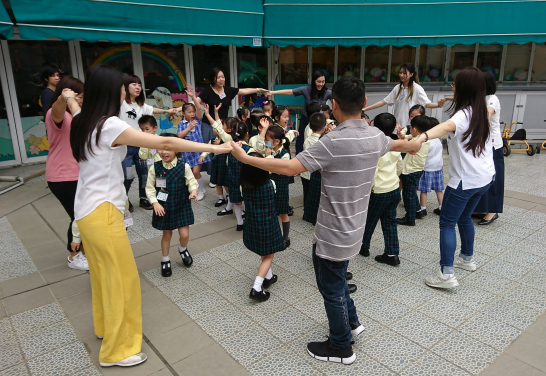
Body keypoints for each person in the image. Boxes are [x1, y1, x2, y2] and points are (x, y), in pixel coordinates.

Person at [230, 76, 421, 365]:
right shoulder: (375, 136)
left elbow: (289, 167)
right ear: (365, 104)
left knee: (331, 289)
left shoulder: (332, 141)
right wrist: (417, 142)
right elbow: (401, 146)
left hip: (332, 234)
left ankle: (341, 346)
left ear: (334, 106)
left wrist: (246, 158)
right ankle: (353, 323)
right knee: (338, 280)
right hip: (354, 230)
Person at [70, 64, 231, 368]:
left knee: (104, 276)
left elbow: (72, 103)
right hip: (103, 211)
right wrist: (216, 148)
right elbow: (166, 143)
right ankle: (117, 351)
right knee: (122, 280)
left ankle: (106, 330)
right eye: (122, 89)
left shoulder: (82, 120)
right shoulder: (108, 126)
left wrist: (68, 97)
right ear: (109, 92)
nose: (126, 95)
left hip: (86, 211)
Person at [411, 67, 495, 289]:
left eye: (455, 84)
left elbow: (446, 126)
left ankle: (446, 275)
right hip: (485, 178)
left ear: (464, 88)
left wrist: (423, 137)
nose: (452, 87)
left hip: (465, 181)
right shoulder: (483, 110)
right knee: (465, 217)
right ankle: (467, 258)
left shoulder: (463, 114)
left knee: (447, 223)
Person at [45, 76, 88, 271]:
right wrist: (64, 98)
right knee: (78, 215)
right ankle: (74, 256)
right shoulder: (57, 114)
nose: (80, 100)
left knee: (83, 215)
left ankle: (84, 251)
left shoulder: (77, 114)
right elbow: (57, 110)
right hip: (63, 175)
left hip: (78, 173)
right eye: (78, 96)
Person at [119, 75, 177, 211]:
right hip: (125, 147)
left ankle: (144, 199)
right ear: (125, 87)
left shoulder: (141, 105)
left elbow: (153, 109)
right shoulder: (121, 103)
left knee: (144, 174)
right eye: (133, 84)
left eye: (139, 84)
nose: (137, 87)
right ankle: (124, 200)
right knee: (128, 176)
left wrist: (167, 111)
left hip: (141, 146)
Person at [146, 133, 198, 277]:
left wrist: (193, 191)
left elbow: (191, 181)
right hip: (164, 206)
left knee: (184, 234)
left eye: (167, 148)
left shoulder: (184, 166)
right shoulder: (154, 168)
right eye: (161, 148)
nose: (163, 152)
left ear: (177, 150)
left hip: (181, 204)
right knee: (167, 235)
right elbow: (150, 188)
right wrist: (155, 203)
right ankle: (165, 259)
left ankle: (182, 249)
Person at [195, 68, 266, 173]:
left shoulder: (228, 90)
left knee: (224, 147)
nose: (221, 79)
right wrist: (178, 109)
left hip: (223, 125)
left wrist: (258, 89)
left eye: (222, 77)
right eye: (218, 77)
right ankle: (211, 174)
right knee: (209, 147)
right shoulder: (207, 91)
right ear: (213, 79)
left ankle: (222, 171)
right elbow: (195, 102)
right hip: (208, 124)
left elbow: (243, 91)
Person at [360, 113, 403, 266]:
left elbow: (374, 172)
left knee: (369, 220)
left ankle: (364, 247)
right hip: (393, 189)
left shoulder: (375, 147)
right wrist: (394, 179)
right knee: (390, 222)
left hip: (378, 191)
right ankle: (392, 254)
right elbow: (400, 166)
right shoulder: (395, 144)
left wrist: (369, 188)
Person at [240, 152, 284, 302]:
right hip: (268, 223)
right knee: (269, 255)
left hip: (252, 223)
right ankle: (256, 288)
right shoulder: (271, 184)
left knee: (264, 251)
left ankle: (268, 277)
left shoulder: (243, 186)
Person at [266, 70, 332, 153]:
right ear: (314, 81)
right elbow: (290, 91)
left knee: (317, 140)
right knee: (301, 140)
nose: (321, 84)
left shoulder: (327, 92)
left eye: (323, 82)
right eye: (318, 82)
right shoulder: (306, 89)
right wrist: (272, 92)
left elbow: (338, 98)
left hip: (318, 120)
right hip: (306, 119)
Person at [363, 63, 442, 129]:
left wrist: (438, 105)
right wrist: (366, 109)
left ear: (411, 74)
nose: (401, 75)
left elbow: (427, 103)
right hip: (398, 126)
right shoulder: (398, 88)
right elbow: (384, 101)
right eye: (400, 73)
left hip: (410, 127)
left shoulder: (417, 88)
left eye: (404, 73)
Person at [473, 70, 504, 225]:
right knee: (481, 176)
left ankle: (492, 211)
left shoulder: (492, 99)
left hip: (493, 145)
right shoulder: (479, 97)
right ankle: (480, 208)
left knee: (494, 178)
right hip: (482, 144)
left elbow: (488, 112)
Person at [176, 87, 210, 200]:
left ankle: (201, 191)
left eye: (193, 111)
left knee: (196, 171)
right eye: (189, 112)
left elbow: (199, 109)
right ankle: (194, 189)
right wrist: (189, 127)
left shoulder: (197, 120)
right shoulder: (181, 124)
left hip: (198, 151)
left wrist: (193, 97)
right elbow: (179, 135)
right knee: (190, 173)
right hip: (187, 153)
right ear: (183, 113)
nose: (192, 114)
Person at [397, 115, 431, 226]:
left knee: (408, 195)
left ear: (414, 129)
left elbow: (404, 143)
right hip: (417, 169)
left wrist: (402, 137)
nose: (409, 129)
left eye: (410, 127)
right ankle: (417, 211)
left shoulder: (416, 141)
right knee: (411, 192)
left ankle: (410, 218)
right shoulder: (423, 137)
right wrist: (402, 134)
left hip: (410, 171)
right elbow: (407, 138)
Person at [200, 105, 237, 208]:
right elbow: (218, 125)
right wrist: (215, 112)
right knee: (218, 182)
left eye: (224, 125)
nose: (220, 127)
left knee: (225, 183)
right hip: (217, 163)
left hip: (225, 164)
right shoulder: (220, 137)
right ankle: (222, 198)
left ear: (229, 129)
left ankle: (230, 198)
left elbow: (217, 125)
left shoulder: (228, 138)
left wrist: (207, 114)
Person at [225, 122, 253, 230]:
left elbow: (228, 164)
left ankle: (239, 223)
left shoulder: (231, 149)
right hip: (246, 180)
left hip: (233, 179)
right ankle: (248, 219)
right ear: (247, 134)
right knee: (247, 199)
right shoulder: (249, 149)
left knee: (237, 202)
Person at [417, 117, 444, 216]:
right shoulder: (438, 140)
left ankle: (422, 208)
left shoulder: (427, 141)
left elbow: (424, 154)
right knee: (439, 189)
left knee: (424, 190)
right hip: (438, 167)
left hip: (427, 168)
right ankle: (442, 207)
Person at [301, 112, 327, 207]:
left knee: (306, 195)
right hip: (314, 175)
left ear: (310, 127)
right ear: (324, 127)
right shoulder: (322, 142)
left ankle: (306, 211)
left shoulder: (307, 140)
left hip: (305, 173)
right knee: (315, 197)